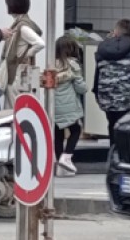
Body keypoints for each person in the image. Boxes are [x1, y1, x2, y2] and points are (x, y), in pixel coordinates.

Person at [93, 19, 130, 142]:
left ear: (116, 31)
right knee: (127, 126)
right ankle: (126, 154)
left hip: (106, 96)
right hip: (128, 97)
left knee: (112, 124)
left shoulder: (103, 47)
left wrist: (96, 93)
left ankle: (114, 151)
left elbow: (97, 73)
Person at [1, 0, 45, 109]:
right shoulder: (22, 23)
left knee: (13, 110)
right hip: (21, 74)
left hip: (16, 74)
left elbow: (40, 43)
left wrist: (26, 55)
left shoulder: (22, 27)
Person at [52, 35, 86, 177]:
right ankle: (66, 157)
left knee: (58, 134)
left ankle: (61, 167)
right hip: (69, 105)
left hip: (54, 105)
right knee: (76, 130)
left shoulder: (52, 64)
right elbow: (80, 88)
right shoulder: (73, 65)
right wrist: (85, 87)